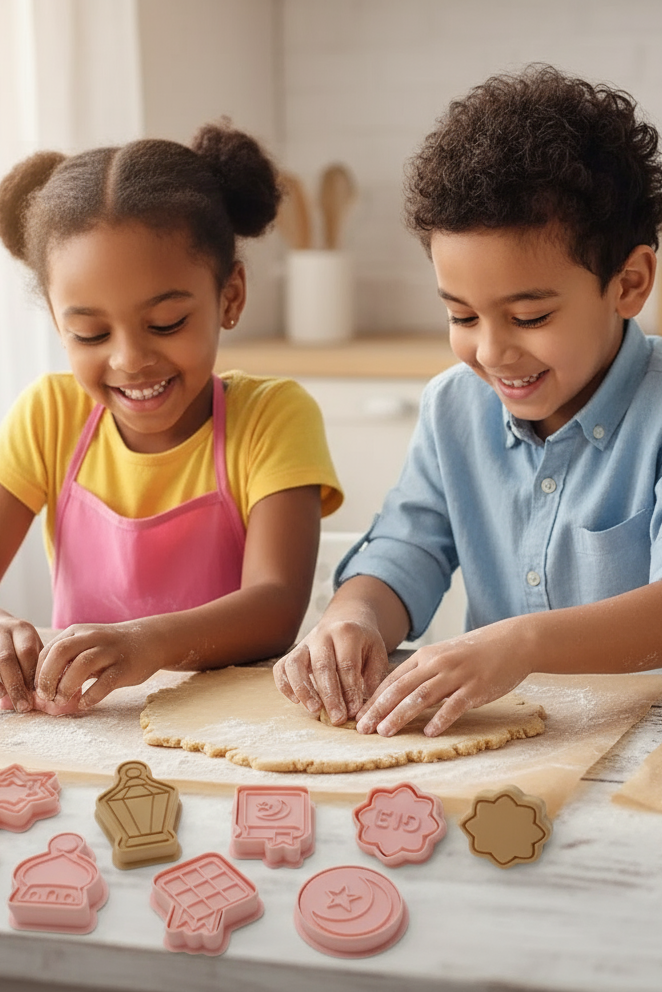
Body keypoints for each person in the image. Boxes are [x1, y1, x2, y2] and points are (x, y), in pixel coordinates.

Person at [274, 64, 662, 738]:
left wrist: (523, 645)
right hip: (505, 745)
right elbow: (407, 547)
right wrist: (355, 617)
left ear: (628, 284)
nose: (491, 353)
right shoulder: (455, 406)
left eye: (530, 317)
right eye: (461, 316)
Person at [0, 120, 342, 713]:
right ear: (58, 323)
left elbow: (276, 605)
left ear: (229, 297)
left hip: (235, 722)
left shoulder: (272, 416)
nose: (130, 359)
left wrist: (144, 643)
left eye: (166, 324)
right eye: (90, 332)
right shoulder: (50, 414)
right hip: (89, 724)